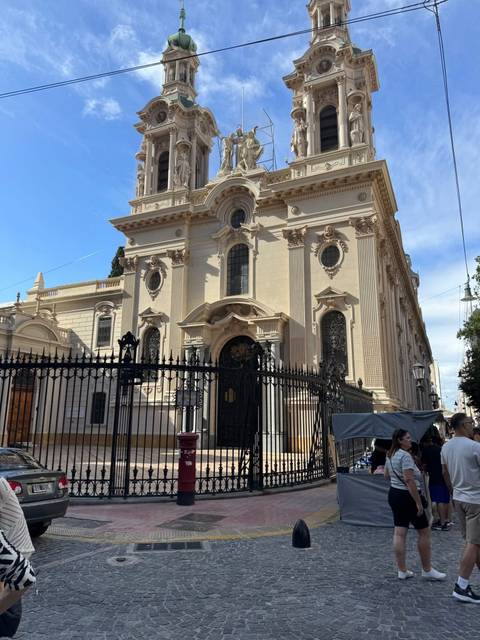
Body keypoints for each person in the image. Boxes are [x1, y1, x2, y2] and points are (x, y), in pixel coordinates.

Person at [384, 429, 446, 581]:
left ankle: (402, 570)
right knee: (424, 532)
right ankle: (427, 569)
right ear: (399, 440)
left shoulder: (390, 454)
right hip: (408, 496)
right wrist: (418, 503)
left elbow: (386, 475)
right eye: (407, 438)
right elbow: (409, 480)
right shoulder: (405, 456)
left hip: (394, 494)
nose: (410, 440)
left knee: (399, 532)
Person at [441, 413, 480, 603]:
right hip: (476, 499)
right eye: (471, 423)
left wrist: (453, 491)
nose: (473, 426)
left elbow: (445, 472)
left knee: (472, 542)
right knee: (473, 543)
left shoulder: (446, 447)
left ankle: (464, 584)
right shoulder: (474, 447)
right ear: (464, 425)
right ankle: (461, 586)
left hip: (458, 498)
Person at [421, 437, 451, 531]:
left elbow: (424, 465)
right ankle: (445, 520)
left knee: (439, 500)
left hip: (434, 478)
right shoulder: (443, 450)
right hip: (446, 477)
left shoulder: (427, 451)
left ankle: (442, 523)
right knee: (445, 500)